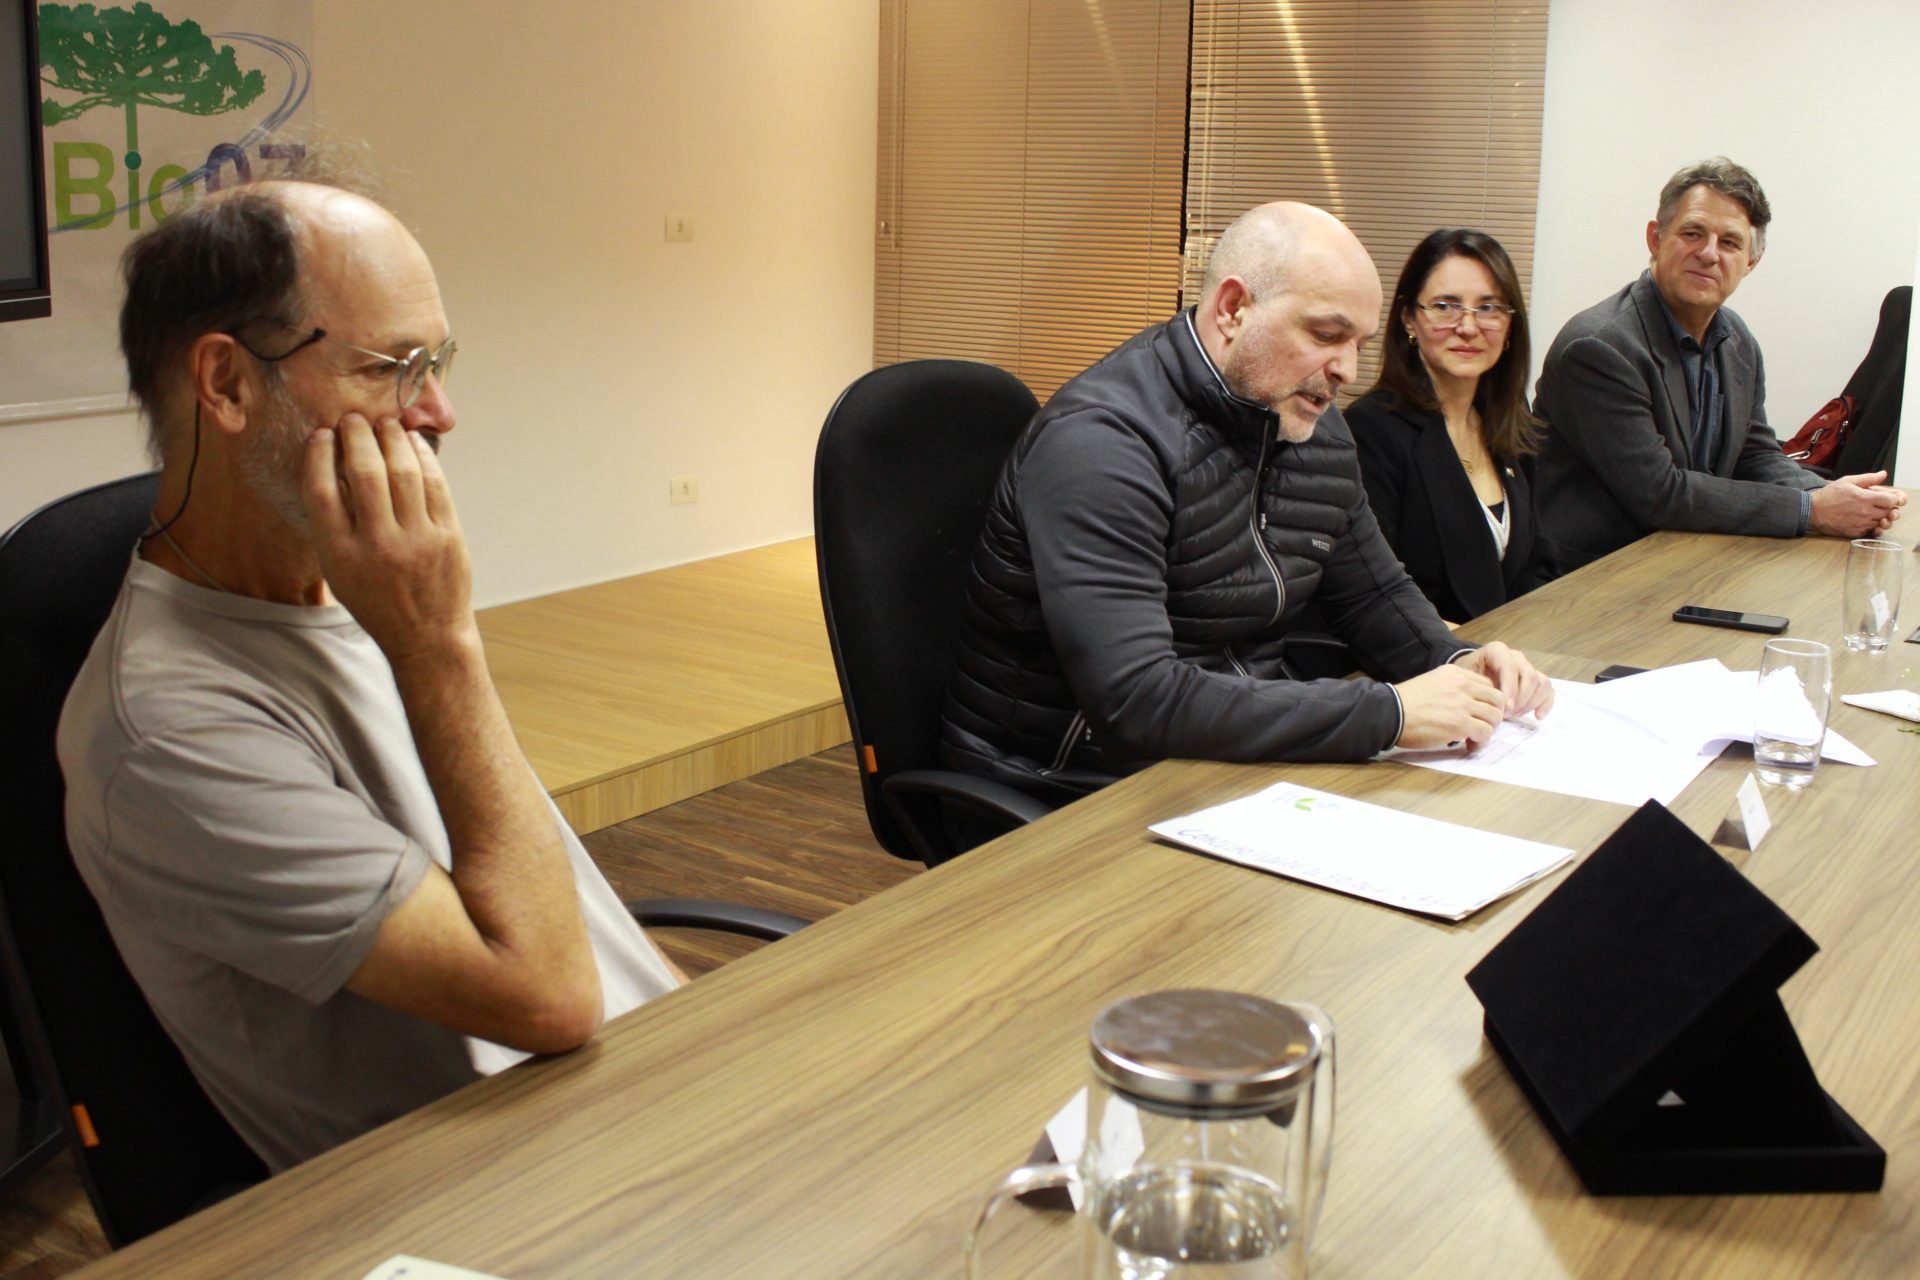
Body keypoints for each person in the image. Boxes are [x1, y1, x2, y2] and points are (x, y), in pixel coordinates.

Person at [56, 160, 679, 1173]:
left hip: (662, 1103)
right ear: (227, 383)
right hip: (519, 1193)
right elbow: (551, 999)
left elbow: (589, 931)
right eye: (393, 367)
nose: (438, 413)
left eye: (439, 362)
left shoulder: (351, 587)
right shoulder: (163, 733)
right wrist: (441, 646)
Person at [939, 202, 1554, 801]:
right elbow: (1136, 700)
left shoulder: (1311, 423)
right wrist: (1388, 713)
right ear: (1233, 309)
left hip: (1221, 760)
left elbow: (1372, 593)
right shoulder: (1103, 443)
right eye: (1326, 334)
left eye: (1359, 343)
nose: (1346, 369)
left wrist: (1458, 661)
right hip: (1070, 782)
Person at [1534, 157, 1906, 572]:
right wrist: (1814, 510)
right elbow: (1661, 494)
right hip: (1591, 576)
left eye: (1729, 242)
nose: (1709, 254)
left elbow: (1755, 455)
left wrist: (1840, 497)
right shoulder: (1599, 347)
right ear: (1656, 238)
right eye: (1692, 233)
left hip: (1688, 559)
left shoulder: (1737, 340)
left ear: (1751, 262)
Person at [1348, 229, 1554, 623]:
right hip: (1426, 652)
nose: (1468, 327)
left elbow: (1536, 565)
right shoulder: (1372, 430)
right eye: (1446, 306)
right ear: (1409, 317)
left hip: (1511, 646)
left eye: (1489, 308)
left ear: (1510, 325)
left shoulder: (1510, 419)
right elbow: (1372, 595)